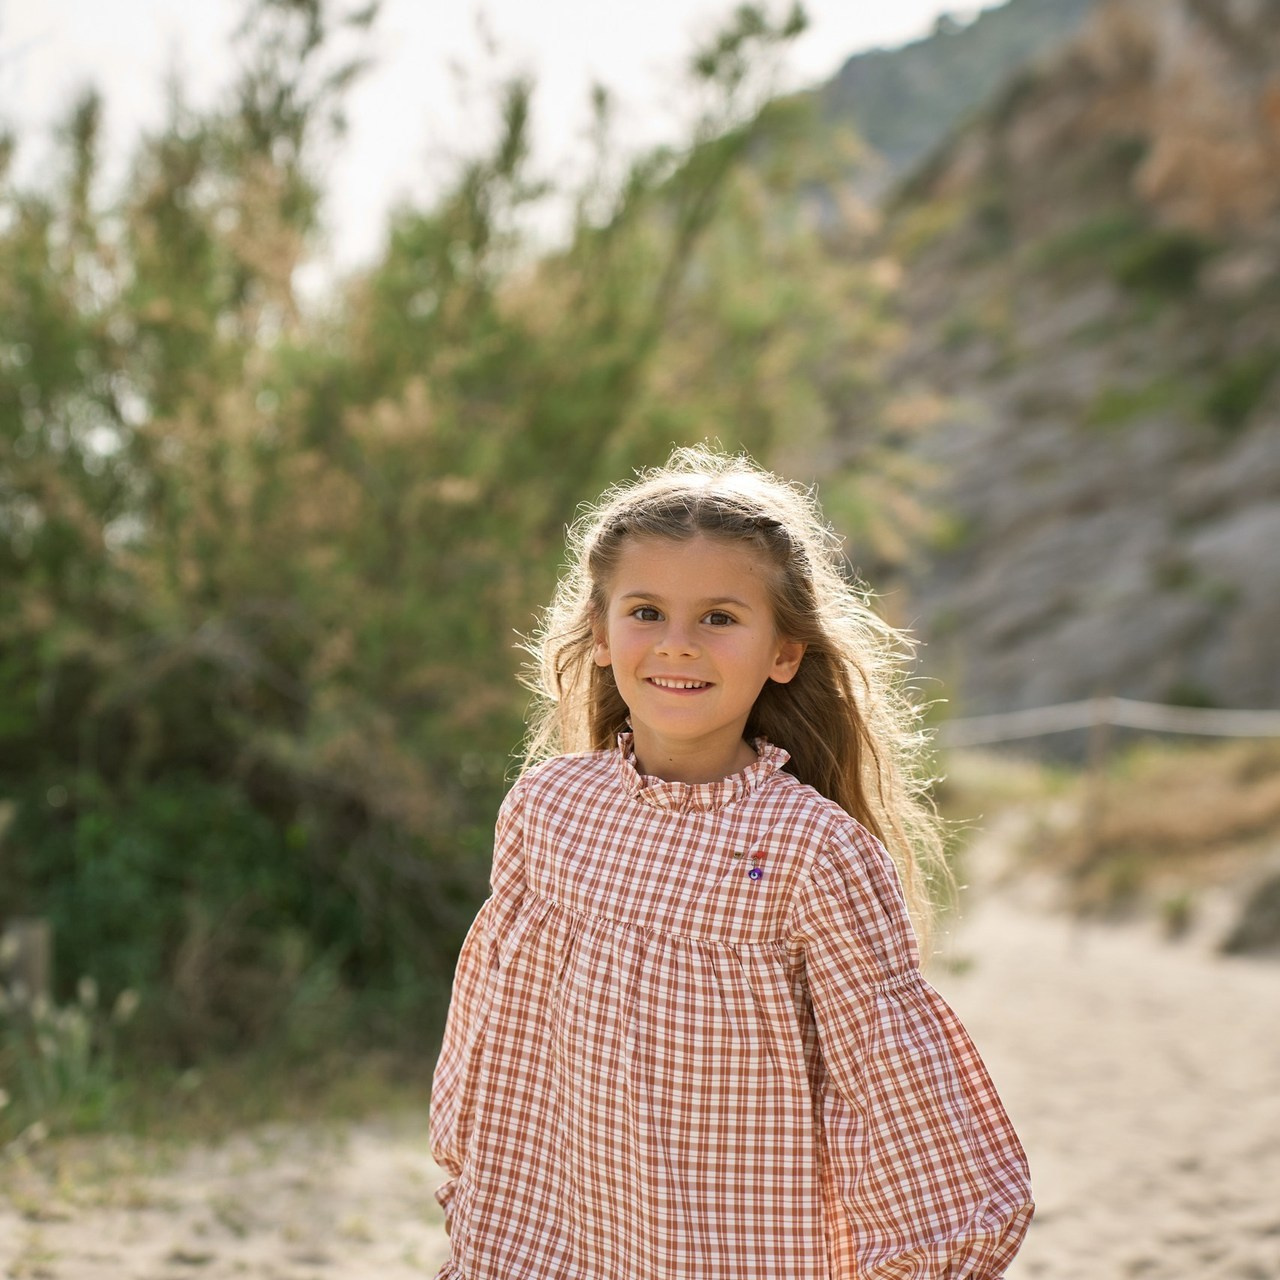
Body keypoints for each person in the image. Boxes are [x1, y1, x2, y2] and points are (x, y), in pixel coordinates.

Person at [430, 446, 1032, 1279]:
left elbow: (891, 1082)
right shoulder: (548, 808)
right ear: (600, 634)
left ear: (783, 653)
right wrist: (481, 1205)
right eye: (645, 611)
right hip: (559, 1235)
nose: (677, 645)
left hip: (731, 1244)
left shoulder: (813, 849)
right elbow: (499, 1036)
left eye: (718, 617)